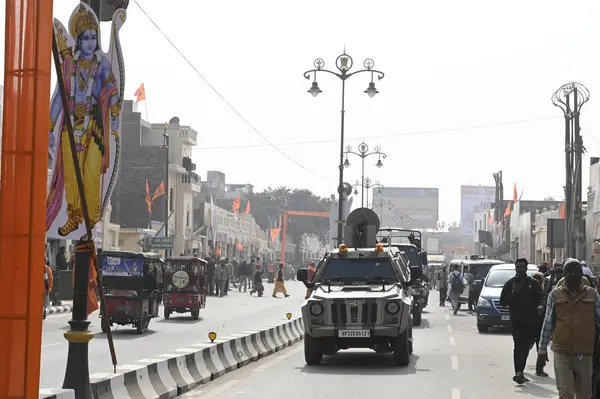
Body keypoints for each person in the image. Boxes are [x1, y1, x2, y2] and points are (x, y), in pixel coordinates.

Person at [538, 259, 600, 398]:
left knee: (584, 394)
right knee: (565, 392)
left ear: (581, 275)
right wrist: (542, 350)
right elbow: (548, 323)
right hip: (562, 352)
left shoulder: (592, 295)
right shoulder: (554, 295)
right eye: (569, 272)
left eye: (576, 272)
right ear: (564, 275)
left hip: (585, 353)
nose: (573, 275)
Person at [500, 258, 542, 385]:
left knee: (526, 347)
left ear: (526, 268)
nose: (520, 269)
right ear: (515, 269)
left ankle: (521, 370)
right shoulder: (510, 284)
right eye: (517, 267)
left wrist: (541, 306)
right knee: (518, 346)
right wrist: (513, 292)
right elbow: (503, 302)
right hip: (517, 322)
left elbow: (542, 298)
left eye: (522, 267)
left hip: (531, 322)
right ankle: (518, 372)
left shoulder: (533, 283)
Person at [531, 272, 549, 377]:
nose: (537, 281)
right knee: (525, 348)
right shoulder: (527, 291)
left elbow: (545, 302)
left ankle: (539, 368)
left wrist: (542, 306)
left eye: (539, 279)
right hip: (528, 323)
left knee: (541, 347)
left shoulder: (543, 292)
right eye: (535, 279)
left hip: (540, 324)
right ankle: (520, 368)